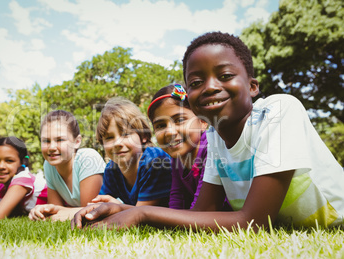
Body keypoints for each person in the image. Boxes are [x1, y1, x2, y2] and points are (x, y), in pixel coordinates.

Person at [71, 32, 344, 231]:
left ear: (252, 86)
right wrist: (122, 209)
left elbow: (254, 222)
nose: (211, 87)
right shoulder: (215, 136)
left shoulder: (278, 111)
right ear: (189, 97)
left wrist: (141, 215)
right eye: (197, 81)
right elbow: (202, 214)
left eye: (225, 76)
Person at [90, 97, 172, 207]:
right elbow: (99, 204)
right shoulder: (112, 168)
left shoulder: (155, 161)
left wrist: (116, 206)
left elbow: (141, 215)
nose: (117, 143)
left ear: (143, 136)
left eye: (125, 134)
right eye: (109, 138)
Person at [28, 110, 106, 221]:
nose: (51, 147)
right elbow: (54, 209)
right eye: (46, 141)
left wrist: (59, 213)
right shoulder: (49, 165)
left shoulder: (88, 158)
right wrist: (41, 211)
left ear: (77, 141)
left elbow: (90, 212)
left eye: (60, 140)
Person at [147, 83, 209, 209]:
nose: (169, 131)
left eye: (179, 120)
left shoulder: (210, 148)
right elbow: (177, 198)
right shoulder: (177, 159)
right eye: (160, 126)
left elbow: (200, 211)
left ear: (203, 121)